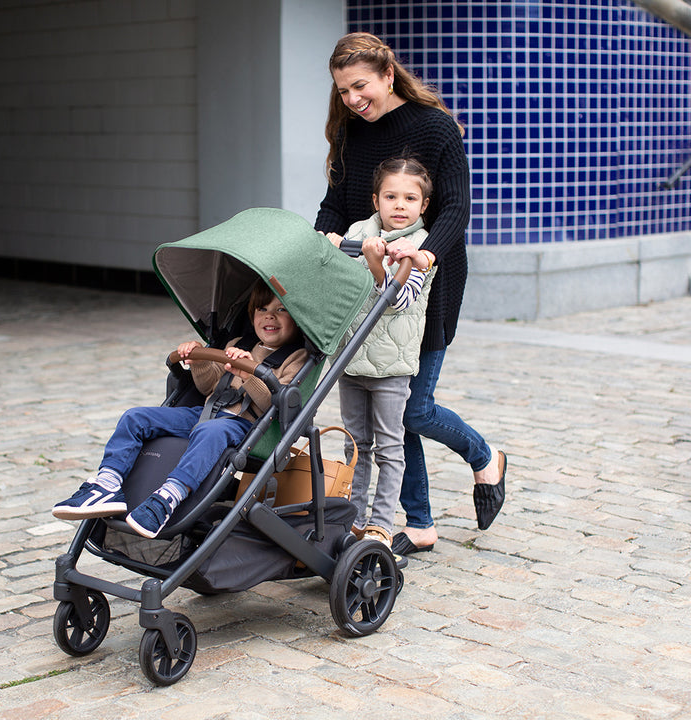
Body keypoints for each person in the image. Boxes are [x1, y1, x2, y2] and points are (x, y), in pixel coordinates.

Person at [314, 32, 507, 554]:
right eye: (343, 90)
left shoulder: (436, 128)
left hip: (431, 281)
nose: (352, 99)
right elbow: (336, 204)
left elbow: (456, 209)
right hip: (368, 283)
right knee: (393, 403)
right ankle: (419, 523)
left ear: (387, 76)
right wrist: (323, 240)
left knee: (413, 409)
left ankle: (484, 455)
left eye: (360, 86)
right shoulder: (351, 134)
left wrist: (426, 255)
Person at [52, 280, 308, 539]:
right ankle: (106, 485)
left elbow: (274, 404)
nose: (269, 317)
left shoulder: (296, 358)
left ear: (296, 319)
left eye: (281, 310)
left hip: (247, 426)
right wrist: (198, 360)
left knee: (211, 431)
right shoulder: (238, 342)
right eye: (261, 309)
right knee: (135, 417)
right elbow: (208, 386)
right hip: (206, 412)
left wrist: (249, 373)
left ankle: (167, 498)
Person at [327, 157, 436, 548]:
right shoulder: (358, 232)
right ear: (377, 199)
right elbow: (339, 284)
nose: (400, 205)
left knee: (391, 447)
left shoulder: (421, 248)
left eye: (410, 198)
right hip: (351, 360)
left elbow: (401, 300)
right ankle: (351, 518)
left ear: (423, 205)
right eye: (391, 196)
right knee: (355, 444)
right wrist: (334, 249)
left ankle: (381, 525)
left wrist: (378, 268)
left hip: (392, 366)